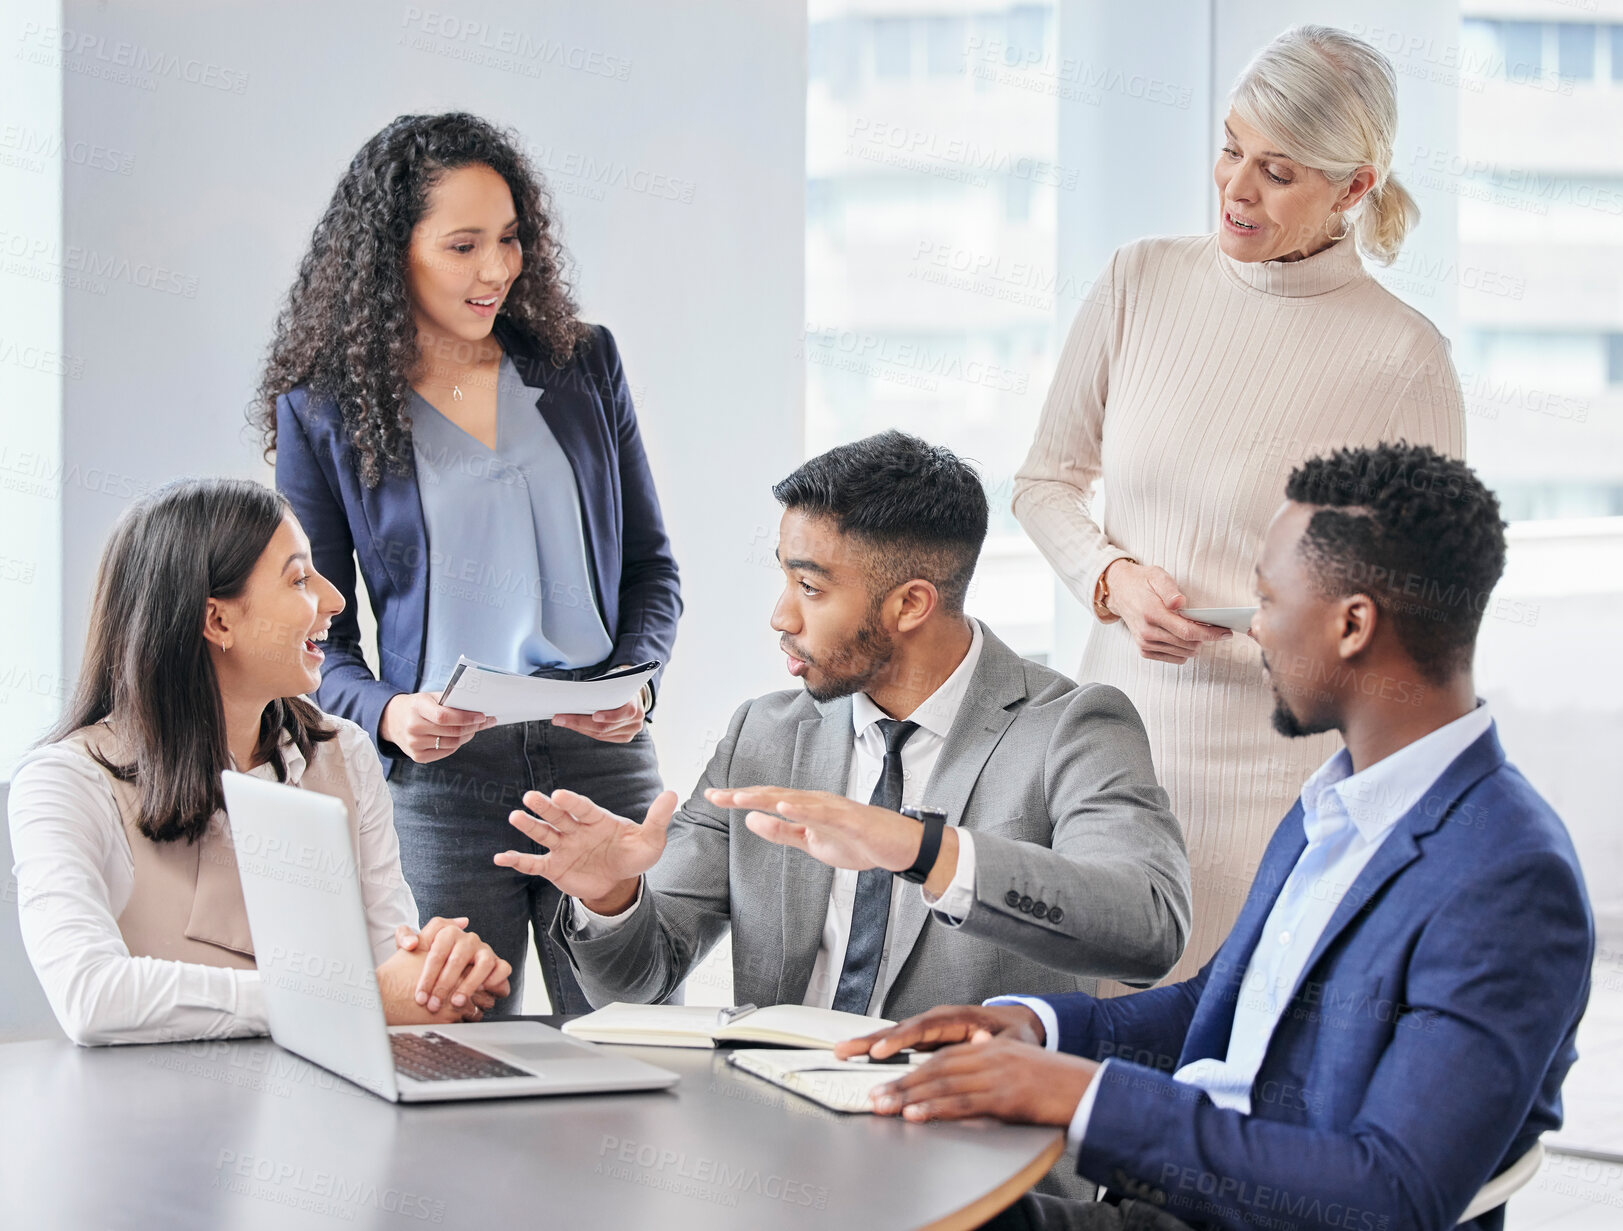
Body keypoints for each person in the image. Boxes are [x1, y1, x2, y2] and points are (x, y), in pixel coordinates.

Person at [844, 444, 1593, 1231]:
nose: (1254, 630)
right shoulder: (1333, 803)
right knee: (861, 1190)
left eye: (1267, 600)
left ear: (1351, 624)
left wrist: (1081, 1096)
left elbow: (1391, 1197)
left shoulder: (1507, 878)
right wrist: (1042, 1027)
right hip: (1169, 1206)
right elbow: (1226, 1005)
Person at [1012, 25, 1467, 988]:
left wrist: (1294, 625)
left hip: (1277, 780)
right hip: (1109, 755)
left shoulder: (1402, 358)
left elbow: (1422, 615)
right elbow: (1043, 481)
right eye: (1228, 147)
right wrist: (1110, 575)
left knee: (1215, 1081)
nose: (1234, 188)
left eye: (1276, 170)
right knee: (1074, 1061)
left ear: (1352, 188)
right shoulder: (1139, 281)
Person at [495, 432, 1191, 1018]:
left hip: (967, 1149)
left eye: (809, 587)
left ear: (910, 603)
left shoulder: (1071, 727)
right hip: (781, 1142)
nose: (780, 616)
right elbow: (640, 979)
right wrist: (610, 896)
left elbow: (1146, 929)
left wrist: (920, 847)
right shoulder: (761, 735)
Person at [257, 112, 681, 1015]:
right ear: (390, 253)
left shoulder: (581, 362)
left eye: (509, 239)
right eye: (462, 245)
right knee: (455, 1051)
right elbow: (309, 630)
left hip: (600, 762)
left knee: (631, 1037)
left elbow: (650, 569)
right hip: (444, 778)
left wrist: (637, 685)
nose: (496, 269)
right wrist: (386, 712)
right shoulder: (324, 410)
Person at [8, 479, 513, 1046]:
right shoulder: (64, 783)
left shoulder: (342, 753)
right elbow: (92, 997)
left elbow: (389, 972)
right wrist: (354, 999)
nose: (334, 600)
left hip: (329, 1111)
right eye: (299, 579)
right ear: (217, 621)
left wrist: (435, 976)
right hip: (153, 1123)